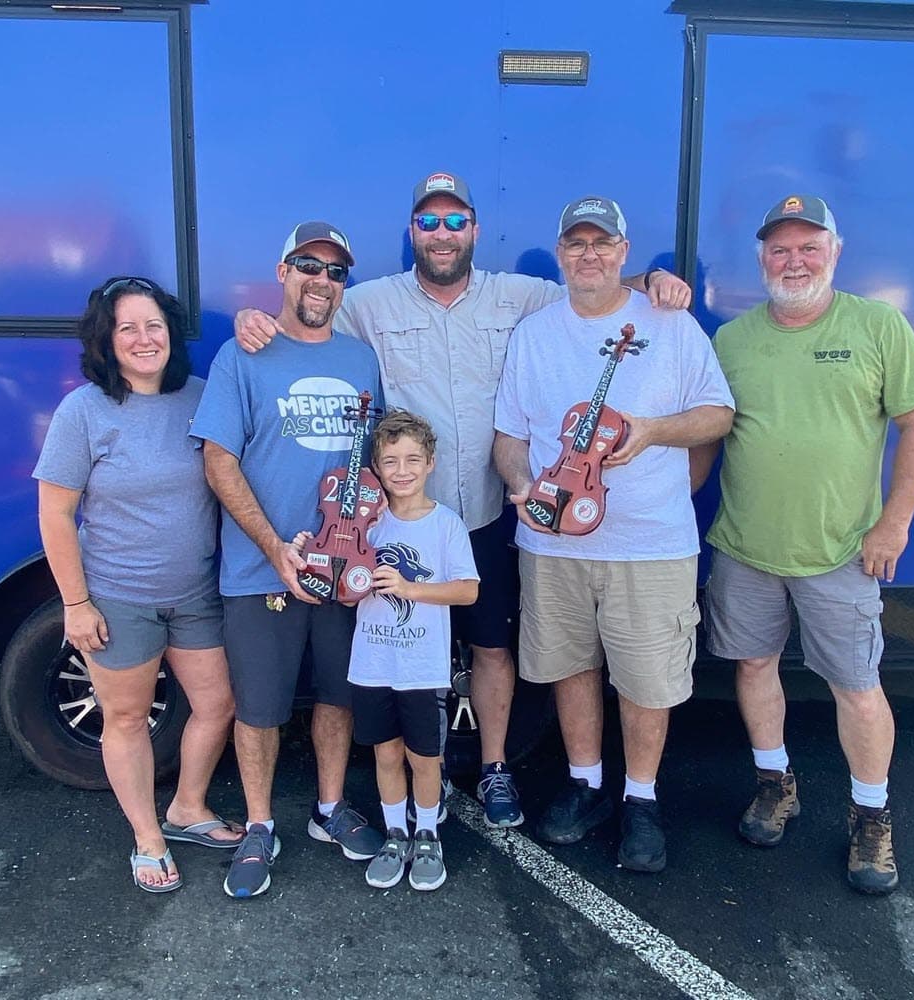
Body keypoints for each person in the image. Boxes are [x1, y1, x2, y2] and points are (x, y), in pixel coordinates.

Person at [235, 172, 692, 829]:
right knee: (398, 641)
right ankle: (406, 773)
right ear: (412, 232)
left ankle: (495, 767)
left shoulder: (520, 295)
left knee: (491, 648)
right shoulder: (369, 302)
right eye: (429, 222)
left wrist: (653, 280)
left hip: (484, 512)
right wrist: (255, 318)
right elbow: (307, 313)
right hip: (400, 519)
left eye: (455, 221)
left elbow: (594, 286)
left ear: (474, 229)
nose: (442, 233)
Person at [700, 194, 914, 895]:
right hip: (744, 549)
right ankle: (775, 784)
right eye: (780, 249)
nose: (794, 261)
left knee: (858, 688)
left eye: (809, 247)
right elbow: (707, 433)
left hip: (842, 552)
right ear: (762, 259)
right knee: (754, 667)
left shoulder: (877, 325)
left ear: (835, 252)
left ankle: (872, 816)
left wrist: (895, 523)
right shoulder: (732, 339)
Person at [493, 196, 734, 871]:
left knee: (646, 678)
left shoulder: (670, 323)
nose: (589, 255)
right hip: (554, 542)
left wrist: (653, 432)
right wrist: (522, 485)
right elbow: (510, 436)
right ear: (560, 253)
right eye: (576, 243)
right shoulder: (534, 334)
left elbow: (718, 414)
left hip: (650, 543)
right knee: (570, 664)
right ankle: (586, 783)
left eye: (602, 243)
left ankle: (642, 798)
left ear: (624, 252)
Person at [191, 221, 385, 899]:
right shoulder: (242, 356)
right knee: (260, 707)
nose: (321, 280)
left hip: (342, 567)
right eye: (308, 264)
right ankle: (260, 825)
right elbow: (219, 460)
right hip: (261, 570)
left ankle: (330, 809)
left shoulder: (362, 360)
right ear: (283, 272)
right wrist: (275, 549)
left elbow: (377, 460)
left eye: (335, 271)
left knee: (338, 695)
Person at [34, 276, 241, 894]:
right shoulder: (83, 411)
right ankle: (148, 837)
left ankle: (187, 808)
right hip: (119, 596)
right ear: (107, 340)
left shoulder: (201, 397)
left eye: (155, 326)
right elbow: (55, 514)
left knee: (218, 705)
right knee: (125, 718)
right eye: (128, 328)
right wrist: (76, 604)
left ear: (171, 334)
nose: (144, 339)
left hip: (197, 591)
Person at [334, 409, 479, 892]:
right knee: (386, 753)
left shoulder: (446, 524)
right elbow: (340, 585)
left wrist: (408, 588)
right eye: (391, 461)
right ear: (376, 467)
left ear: (431, 463)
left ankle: (428, 835)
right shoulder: (366, 525)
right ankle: (396, 834)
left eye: (413, 459)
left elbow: (468, 590)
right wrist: (317, 556)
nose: (402, 471)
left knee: (424, 758)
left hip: (422, 668)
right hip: (373, 664)